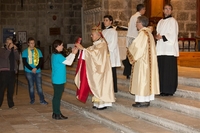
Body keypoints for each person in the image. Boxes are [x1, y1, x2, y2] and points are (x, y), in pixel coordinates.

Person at [75, 25, 115, 110]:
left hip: (102, 69)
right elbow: (90, 50)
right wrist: (82, 49)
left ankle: (103, 103)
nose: (91, 36)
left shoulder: (102, 44)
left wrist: (83, 49)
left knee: (100, 84)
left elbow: (96, 54)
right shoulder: (96, 44)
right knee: (96, 83)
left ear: (98, 35)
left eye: (92, 34)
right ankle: (97, 103)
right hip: (99, 68)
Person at [127, 16, 160, 107]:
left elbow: (137, 47)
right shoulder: (149, 33)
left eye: (137, 22)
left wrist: (129, 50)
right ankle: (146, 99)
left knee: (142, 80)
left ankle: (142, 101)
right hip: (147, 62)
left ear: (140, 23)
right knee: (146, 80)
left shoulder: (142, 34)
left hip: (143, 62)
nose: (136, 24)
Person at [155, 4, 179, 96]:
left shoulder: (173, 21)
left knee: (168, 70)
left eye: (169, 9)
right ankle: (161, 88)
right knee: (162, 70)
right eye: (166, 9)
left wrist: (163, 37)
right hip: (161, 49)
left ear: (171, 11)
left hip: (169, 50)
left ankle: (169, 90)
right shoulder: (160, 21)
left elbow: (173, 35)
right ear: (163, 10)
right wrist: (157, 36)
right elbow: (158, 32)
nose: (167, 10)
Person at [51, 39, 78, 120]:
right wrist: (74, 54)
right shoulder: (58, 56)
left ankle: (55, 113)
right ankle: (57, 113)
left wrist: (72, 53)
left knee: (56, 97)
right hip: (59, 80)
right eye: (62, 45)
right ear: (58, 46)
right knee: (57, 97)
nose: (63, 47)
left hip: (56, 79)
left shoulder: (55, 55)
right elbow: (69, 63)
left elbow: (65, 60)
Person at [22, 37, 48, 105]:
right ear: (28, 44)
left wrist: (36, 68)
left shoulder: (38, 51)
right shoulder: (25, 52)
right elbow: (25, 62)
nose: (32, 44)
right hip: (28, 71)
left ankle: (42, 100)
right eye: (31, 43)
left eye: (33, 43)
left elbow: (41, 61)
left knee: (39, 86)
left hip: (37, 71)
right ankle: (32, 99)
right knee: (31, 86)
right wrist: (31, 69)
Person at [123, 4, 146, 79]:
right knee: (134, 56)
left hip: (130, 37)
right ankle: (132, 72)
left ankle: (127, 73)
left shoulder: (133, 16)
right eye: (144, 10)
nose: (144, 11)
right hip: (135, 38)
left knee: (129, 55)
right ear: (142, 9)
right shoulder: (139, 17)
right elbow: (139, 28)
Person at [102, 15, 121, 93]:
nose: (105, 22)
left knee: (112, 71)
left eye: (106, 20)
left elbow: (113, 43)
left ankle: (114, 88)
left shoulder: (113, 31)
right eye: (104, 20)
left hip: (110, 53)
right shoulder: (103, 31)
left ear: (111, 22)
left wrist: (106, 50)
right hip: (104, 53)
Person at [0, 38, 20, 110]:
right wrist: (9, 49)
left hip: (12, 72)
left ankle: (11, 105)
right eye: (9, 43)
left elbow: (17, 58)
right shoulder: (2, 50)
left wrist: (15, 50)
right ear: (5, 43)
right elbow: (5, 56)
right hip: (4, 72)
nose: (10, 44)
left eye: (11, 43)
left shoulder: (12, 50)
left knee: (11, 90)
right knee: (2, 89)